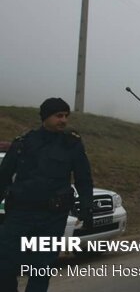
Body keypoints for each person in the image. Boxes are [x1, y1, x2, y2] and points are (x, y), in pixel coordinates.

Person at [0, 98, 93, 292]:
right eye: (59, 116)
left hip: (52, 218)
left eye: (66, 116)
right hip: (19, 216)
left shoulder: (72, 144)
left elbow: (83, 178)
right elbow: (3, 177)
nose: (64, 120)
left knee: (40, 270)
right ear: (45, 117)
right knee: (5, 265)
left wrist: (86, 208)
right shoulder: (23, 143)